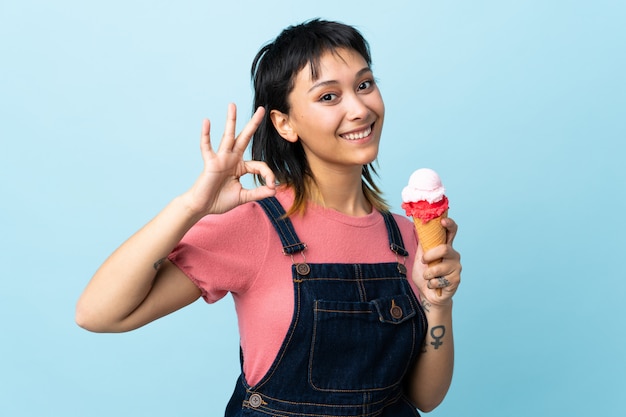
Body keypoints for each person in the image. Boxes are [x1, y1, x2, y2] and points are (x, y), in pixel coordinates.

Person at [76, 18, 462, 416]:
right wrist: (191, 206)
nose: (360, 108)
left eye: (364, 84)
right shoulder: (256, 226)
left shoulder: (407, 235)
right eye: (328, 97)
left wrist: (439, 304)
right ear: (284, 123)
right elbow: (98, 314)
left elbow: (424, 398)